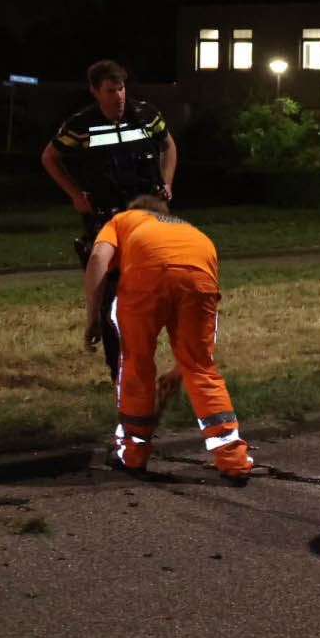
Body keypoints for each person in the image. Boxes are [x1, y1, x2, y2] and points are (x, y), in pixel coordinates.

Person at [83, 194, 253, 478]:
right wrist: (179, 370)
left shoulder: (122, 219)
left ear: (136, 211)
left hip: (145, 279)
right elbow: (202, 319)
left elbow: (99, 258)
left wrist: (93, 317)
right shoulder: (190, 231)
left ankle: (133, 454)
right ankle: (233, 459)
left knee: (136, 363)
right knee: (202, 368)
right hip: (199, 275)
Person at [42, 59, 178, 377]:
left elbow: (169, 146)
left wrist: (167, 182)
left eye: (121, 88)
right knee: (110, 289)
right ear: (95, 92)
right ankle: (117, 363)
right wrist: (76, 194)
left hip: (148, 216)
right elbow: (49, 157)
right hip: (108, 217)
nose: (118, 96)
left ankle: (149, 353)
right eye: (110, 90)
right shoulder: (81, 124)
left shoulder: (146, 115)